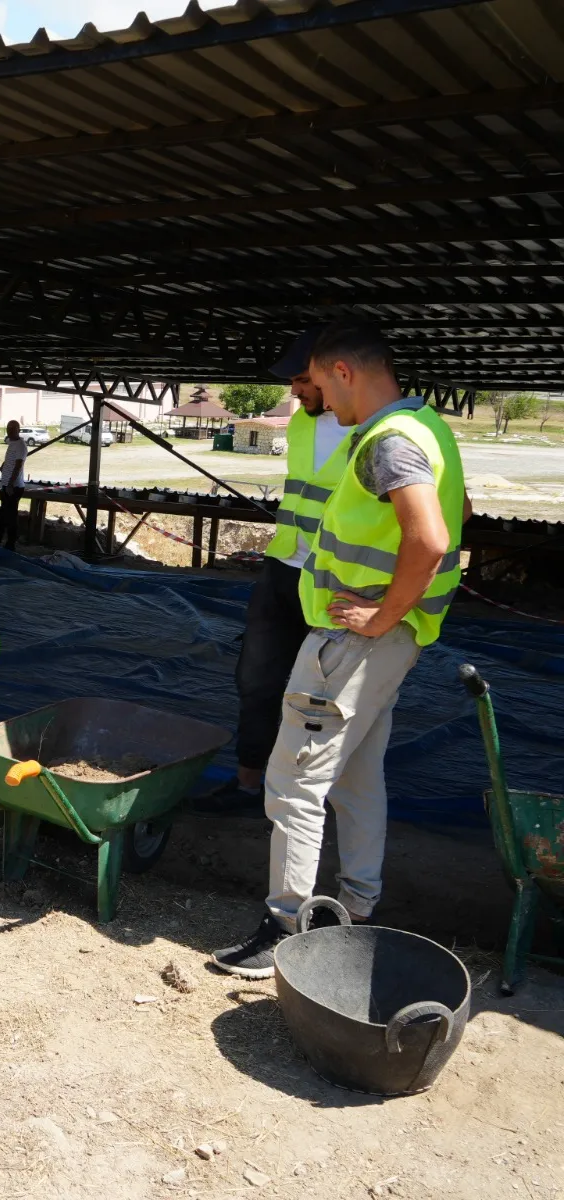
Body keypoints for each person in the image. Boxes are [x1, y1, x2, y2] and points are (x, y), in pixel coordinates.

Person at [212, 319, 468, 978]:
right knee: (355, 776)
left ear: (345, 372)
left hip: (353, 642)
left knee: (294, 782)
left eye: (321, 381)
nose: (317, 396)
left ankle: (285, 926)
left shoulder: (387, 441)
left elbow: (432, 538)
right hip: (386, 644)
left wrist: (383, 616)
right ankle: (356, 906)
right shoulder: (427, 426)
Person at [197, 328, 348, 814]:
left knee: (324, 697)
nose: (295, 391)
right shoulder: (303, 423)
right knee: (257, 679)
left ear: (337, 375)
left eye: (303, 379)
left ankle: (309, 799)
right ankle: (248, 784)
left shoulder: (378, 431)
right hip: (285, 570)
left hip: (337, 582)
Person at [0, 421, 29, 551]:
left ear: (18, 429)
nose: (10, 431)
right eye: (8, 428)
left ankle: (10, 545)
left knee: (10, 517)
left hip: (13, 487)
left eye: (13, 428)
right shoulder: (11, 443)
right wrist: (1, 469)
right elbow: (10, 461)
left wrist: (10, 484)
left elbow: (18, 465)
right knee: (4, 516)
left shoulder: (21, 445)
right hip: (7, 485)